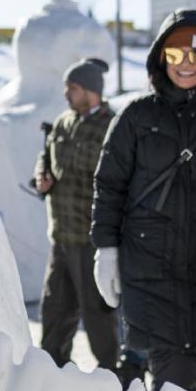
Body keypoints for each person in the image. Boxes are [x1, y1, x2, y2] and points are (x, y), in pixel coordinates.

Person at [89, 10, 196, 391]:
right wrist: (105, 249)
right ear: (162, 58)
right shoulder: (137, 116)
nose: (186, 63)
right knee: (174, 375)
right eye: (175, 53)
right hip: (148, 264)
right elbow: (109, 185)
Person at [33, 58, 118, 368]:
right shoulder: (63, 122)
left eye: (73, 88)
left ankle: (114, 381)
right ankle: (53, 377)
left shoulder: (112, 126)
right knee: (54, 313)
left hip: (91, 241)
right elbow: (45, 156)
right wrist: (41, 176)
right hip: (60, 239)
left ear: (91, 90)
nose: (66, 93)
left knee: (98, 319)